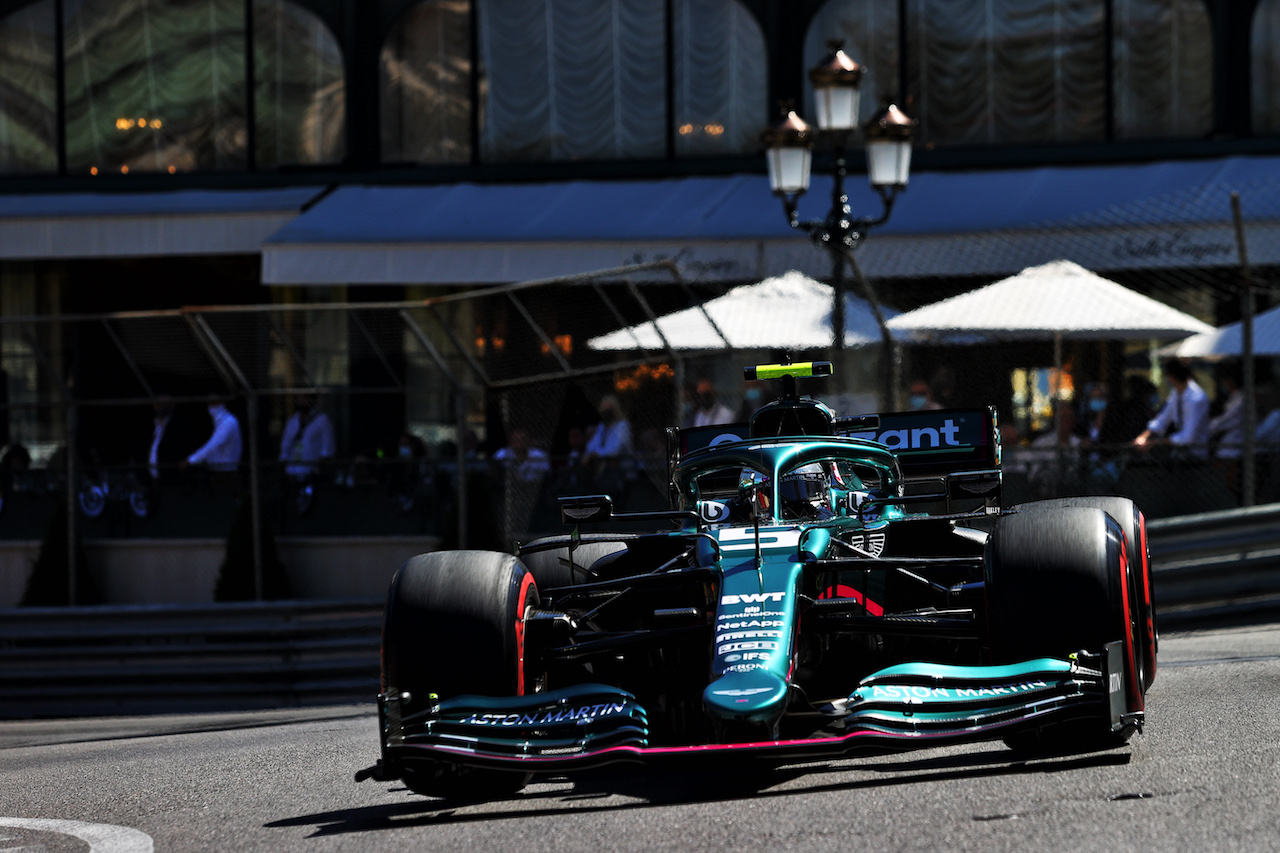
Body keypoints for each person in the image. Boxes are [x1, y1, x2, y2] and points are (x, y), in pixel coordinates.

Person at [1133, 359, 1210, 457]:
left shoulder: (1196, 398)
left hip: (1195, 455)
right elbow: (1163, 418)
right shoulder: (1176, 393)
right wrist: (1143, 436)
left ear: (1171, 378)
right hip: (1178, 454)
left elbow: (1187, 437)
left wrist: (1154, 443)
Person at [278, 392, 336, 481]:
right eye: (299, 398)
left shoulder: (322, 420)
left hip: (311, 473)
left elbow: (327, 450)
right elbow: (285, 448)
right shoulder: (292, 421)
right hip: (291, 472)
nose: (302, 401)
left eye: (305, 398)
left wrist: (317, 470)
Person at [187, 400, 242, 473]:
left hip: (226, 471)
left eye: (214, 403)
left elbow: (213, 444)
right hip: (216, 469)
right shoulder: (217, 422)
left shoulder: (228, 422)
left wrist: (191, 460)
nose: (211, 407)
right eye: (210, 404)